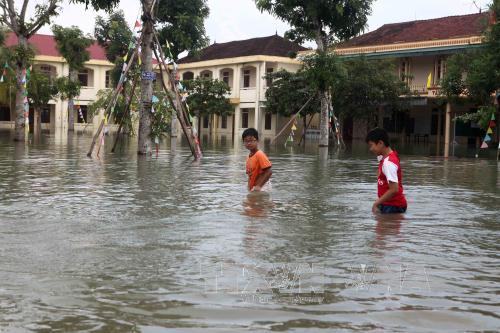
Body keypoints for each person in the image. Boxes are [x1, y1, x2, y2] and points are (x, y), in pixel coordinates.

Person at [366, 128, 407, 214]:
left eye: (371, 145)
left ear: (380, 143)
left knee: (384, 227)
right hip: (391, 204)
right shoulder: (387, 157)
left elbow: (394, 189)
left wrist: (376, 203)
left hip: (393, 206)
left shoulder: (388, 163)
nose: (370, 149)